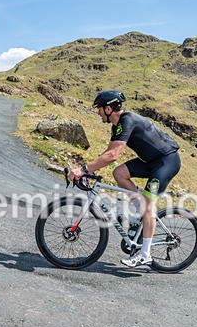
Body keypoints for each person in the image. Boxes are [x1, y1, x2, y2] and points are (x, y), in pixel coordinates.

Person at [68, 90, 180, 268]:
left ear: (108, 108)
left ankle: (145, 255)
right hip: (150, 161)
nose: (97, 113)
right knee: (119, 173)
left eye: (99, 109)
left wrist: (83, 170)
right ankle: (139, 219)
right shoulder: (117, 126)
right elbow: (108, 153)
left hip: (166, 162)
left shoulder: (128, 120)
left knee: (148, 205)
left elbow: (113, 155)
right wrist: (88, 169)